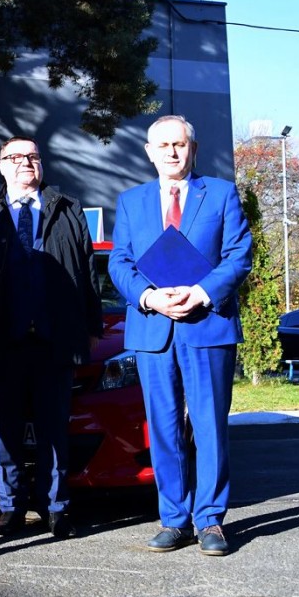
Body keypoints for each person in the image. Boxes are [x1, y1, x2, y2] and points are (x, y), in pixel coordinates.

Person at [109, 115, 252, 556]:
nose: (172, 152)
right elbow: (119, 262)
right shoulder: (131, 201)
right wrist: (149, 298)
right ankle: (174, 520)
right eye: (163, 145)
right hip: (153, 330)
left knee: (209, 427)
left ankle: (210, 520)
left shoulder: (221, 193)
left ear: (193, 149)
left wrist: (200, 293)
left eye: (180, 144)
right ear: (149, 153)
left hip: (207, 326)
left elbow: (239, 255)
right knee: (164, 428)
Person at [0, 136, 102, 540]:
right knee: (6, 431)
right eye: (15, 157)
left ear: (41, 164)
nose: (25, 163)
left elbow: (87, 270)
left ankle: (56, 507)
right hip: (2, 339)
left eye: (32, 156)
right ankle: (10, 506)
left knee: (54, 430)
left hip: (54, 338)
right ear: (1, 165)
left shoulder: (67, 208)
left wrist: (92, 327)